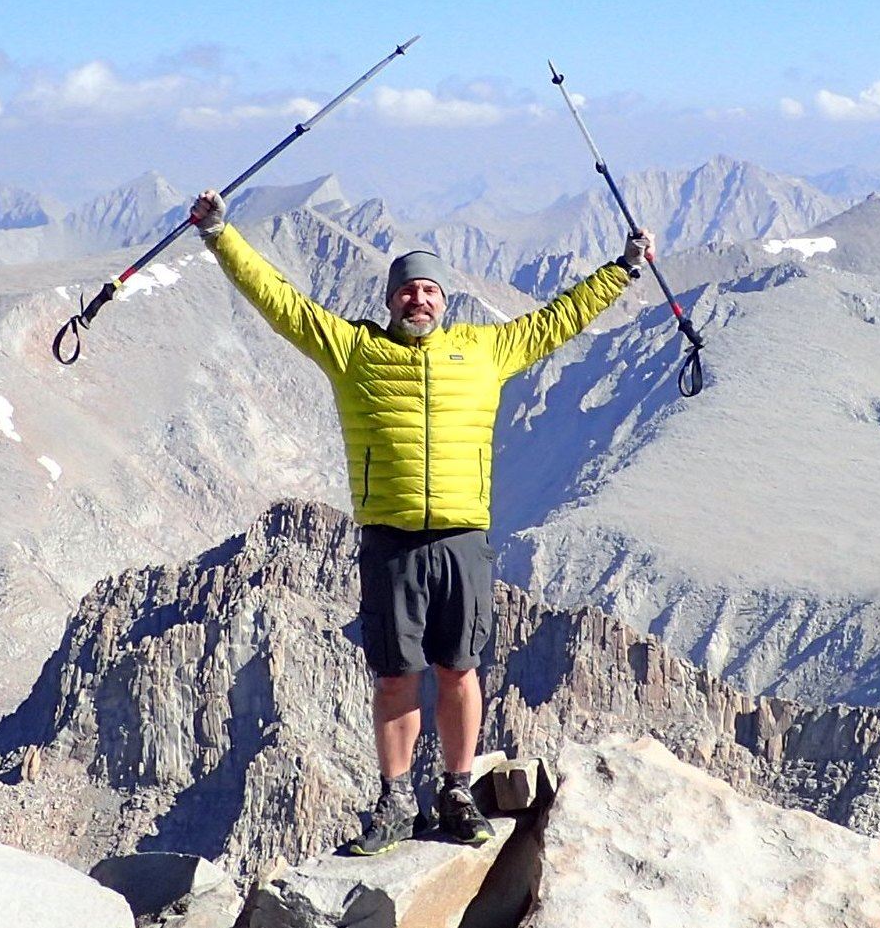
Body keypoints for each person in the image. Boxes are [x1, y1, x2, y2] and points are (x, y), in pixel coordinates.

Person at [190, 189, 653, 854]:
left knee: (459, 668)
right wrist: (220, 234)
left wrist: (624, 267)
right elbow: (280, 302)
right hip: (392, 538)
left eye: (430, 290)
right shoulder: (352, 351)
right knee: (395, 673)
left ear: (446, 301)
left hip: (462, 537)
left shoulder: (487, 349)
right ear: (390, 300)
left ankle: (457, 788)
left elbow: (560, 318)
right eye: (407, 291)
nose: (418, 300)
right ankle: (396, 797)